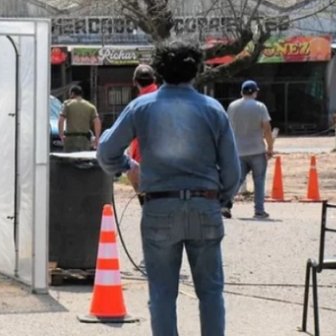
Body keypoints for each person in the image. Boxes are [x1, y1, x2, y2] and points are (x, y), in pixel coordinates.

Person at [97, 43, 240, 336]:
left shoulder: (141, 107)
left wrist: (130, 166)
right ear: (197, 70)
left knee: (162, 295)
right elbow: (233, 172)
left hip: (159, 206)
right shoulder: (214, 110)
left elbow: (106, 152)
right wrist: (219, 199)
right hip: (205, 204)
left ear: (159, 72)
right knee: (211, 293)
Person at [224, 80, 274, 219]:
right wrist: (270, 147)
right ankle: (259, 210)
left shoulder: (232, 106)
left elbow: (227, 127)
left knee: (237, 180)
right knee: (259, 181)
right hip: (257, 149)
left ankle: (225, 204)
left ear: (242, 92)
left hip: (238, 150)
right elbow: (267, 128)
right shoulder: (260, 106)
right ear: (255, 92)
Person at [128, 63, 158, 202]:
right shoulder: (166, 99)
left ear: (134, 82)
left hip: (142, 160)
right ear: (154, 80)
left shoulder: (136, 106)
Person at [58, 85, 101, 152]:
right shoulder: (90, 106)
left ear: (72, 93)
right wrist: (97, 138)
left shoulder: (67, 104)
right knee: (83, 160)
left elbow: (61, 120)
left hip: (70, 140)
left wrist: (61, 135)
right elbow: (97, 121)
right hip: (84, 140)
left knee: (69, 161)